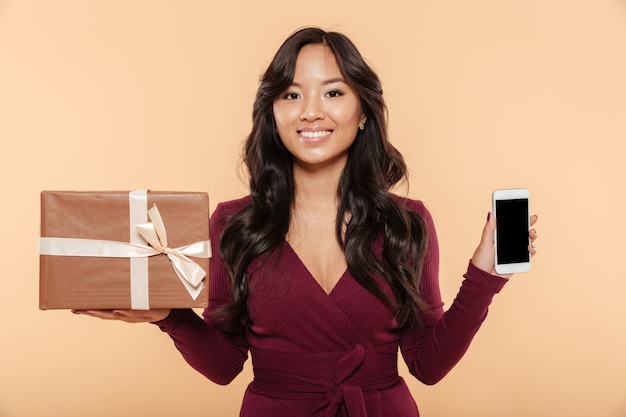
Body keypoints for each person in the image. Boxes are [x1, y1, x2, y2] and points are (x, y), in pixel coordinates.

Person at [76, 27, 539, 416]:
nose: (310, 111)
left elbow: (428, 364)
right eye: (291, 94)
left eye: (333, 92)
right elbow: (223, 365)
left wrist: (486, 275)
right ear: (273, 113)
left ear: (362, 113)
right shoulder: (232, 223)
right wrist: (170, 317)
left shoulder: (407, 223)